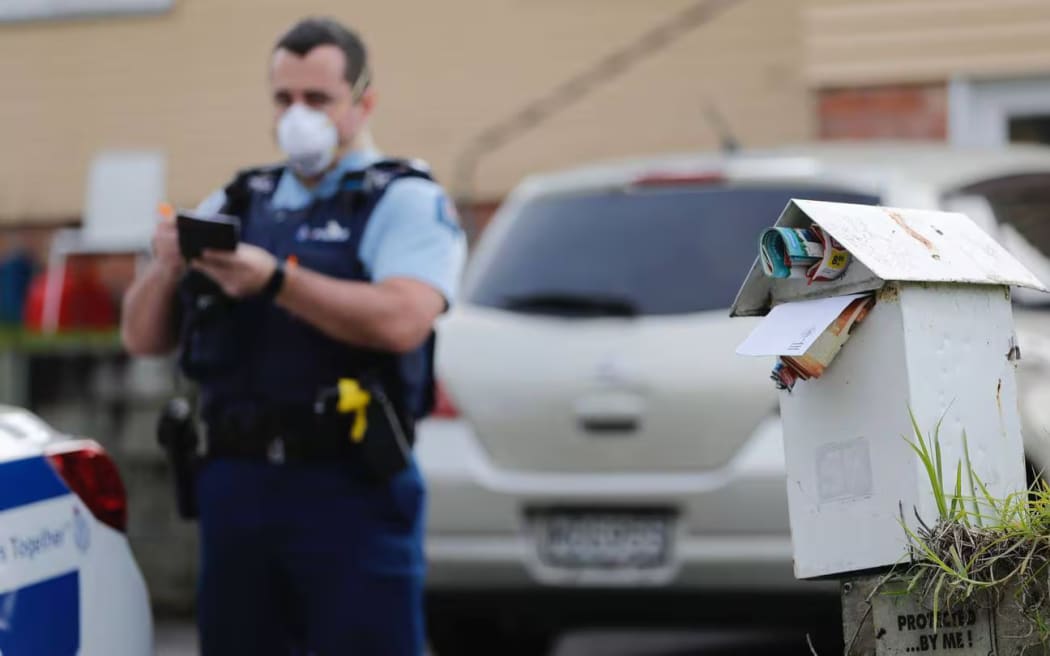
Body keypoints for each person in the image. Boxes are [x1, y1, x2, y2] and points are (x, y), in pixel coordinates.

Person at [121, 17, 465, 656]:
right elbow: (142, 338)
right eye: (284, 99)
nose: (297, 116)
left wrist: (276, 280)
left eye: (317, 100)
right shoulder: (240, 198)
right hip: (236, 485)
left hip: (348, 485)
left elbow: (401, 319)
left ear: (362, 103)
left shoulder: (400, 199)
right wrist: (166, 264)